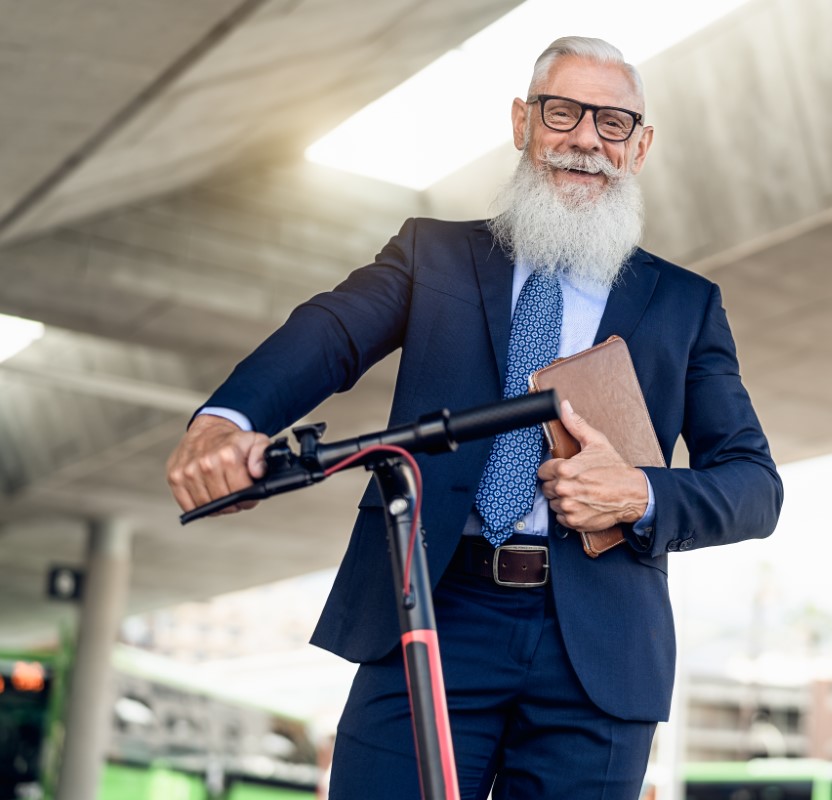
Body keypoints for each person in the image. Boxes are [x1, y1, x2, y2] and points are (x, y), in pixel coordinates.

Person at [166, 36, 782, 799]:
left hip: (599, 651)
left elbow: (755, 487)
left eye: (612, 123)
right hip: (432, 607)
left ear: (641, 146)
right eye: (563, 113)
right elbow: (331, 333)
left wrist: (640, 493)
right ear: (523, 122)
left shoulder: (686, 305)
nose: (586, 139)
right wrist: (230, 416)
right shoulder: (435, 256)